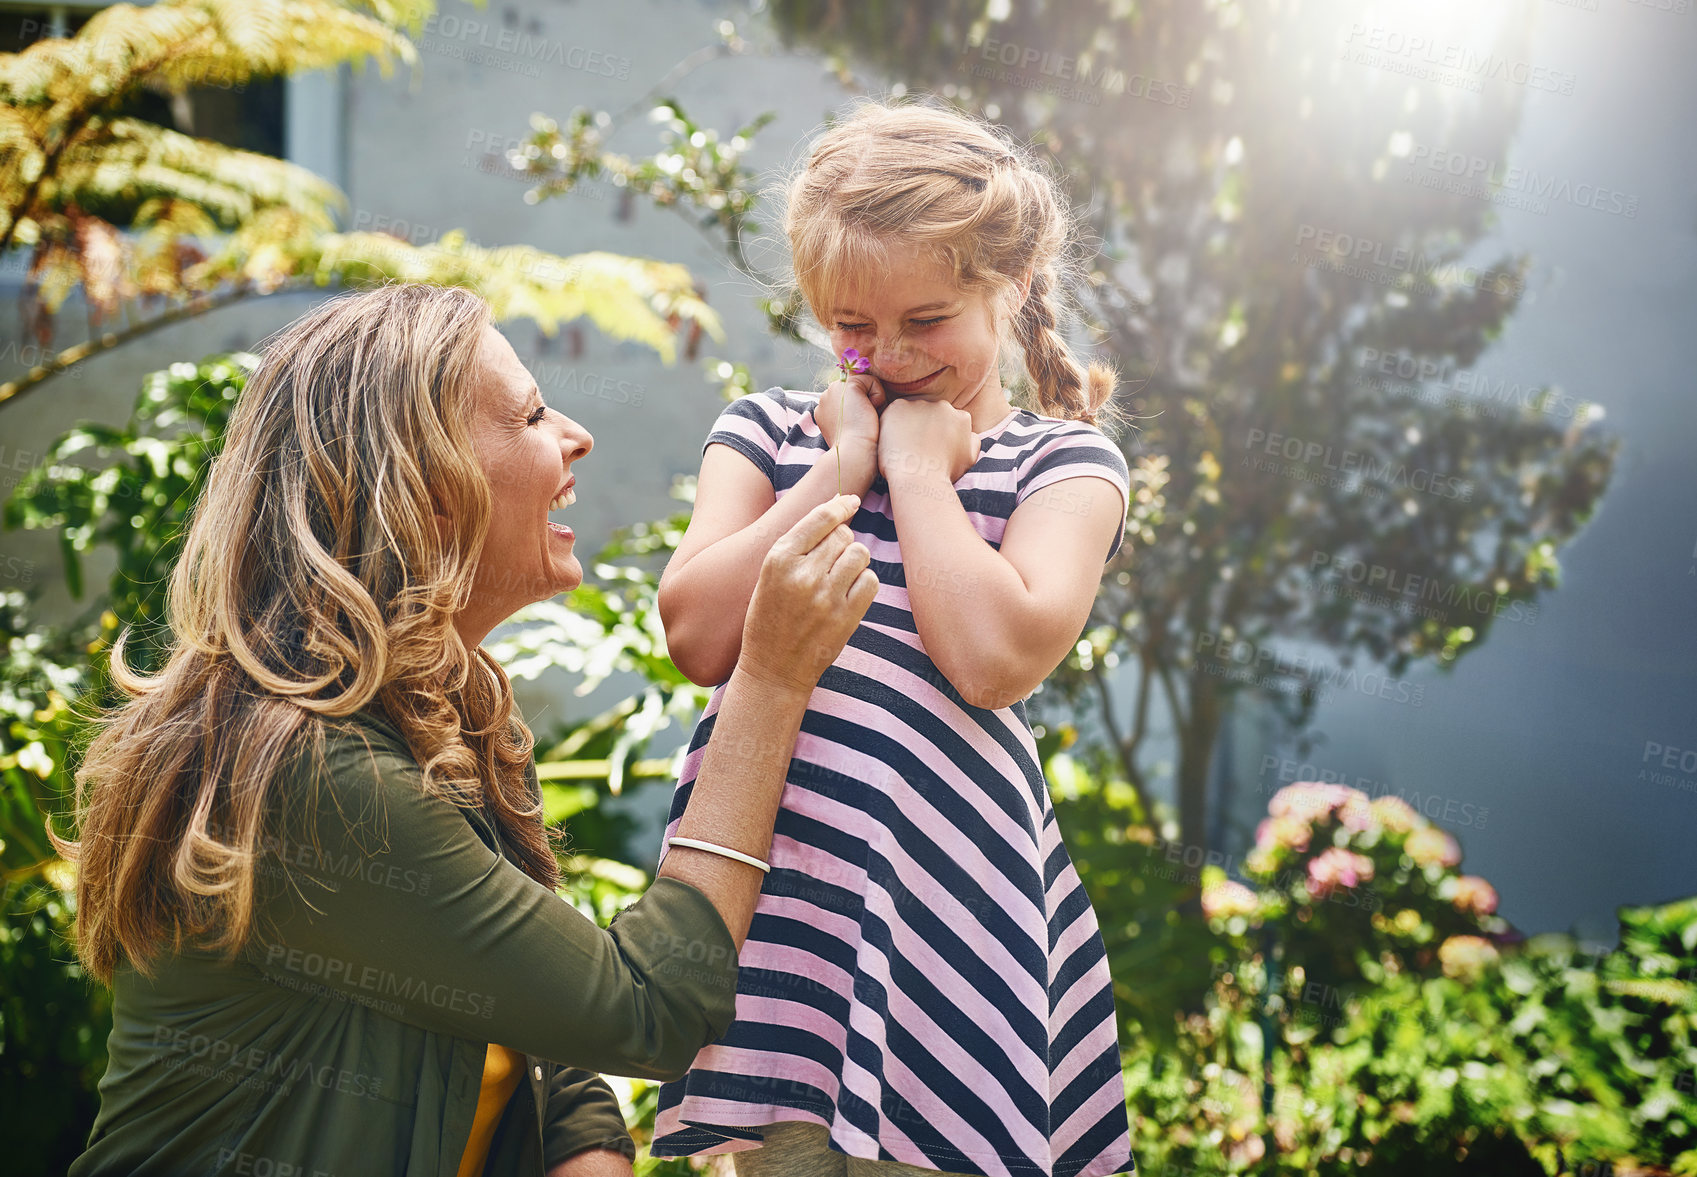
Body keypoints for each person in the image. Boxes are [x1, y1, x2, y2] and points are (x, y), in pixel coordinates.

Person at [54, 281, 878, 1177]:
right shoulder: (310, 772)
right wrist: (767, 679)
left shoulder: (447, 718)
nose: (576, 435)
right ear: (427, 488)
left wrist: (590, 1150)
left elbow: (533, 1011)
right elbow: (646, 1008)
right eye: (528, 416)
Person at [650, 98, 1137, 1177]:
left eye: (926, 321)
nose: (890, 356)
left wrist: (918, 473)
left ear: (1006, 287)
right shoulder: (768, 436)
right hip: (777, 921)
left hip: (944, 930)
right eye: (852, 327)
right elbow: (696, 630)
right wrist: (843, 466)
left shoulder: (1062, 468)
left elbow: (991, 656)